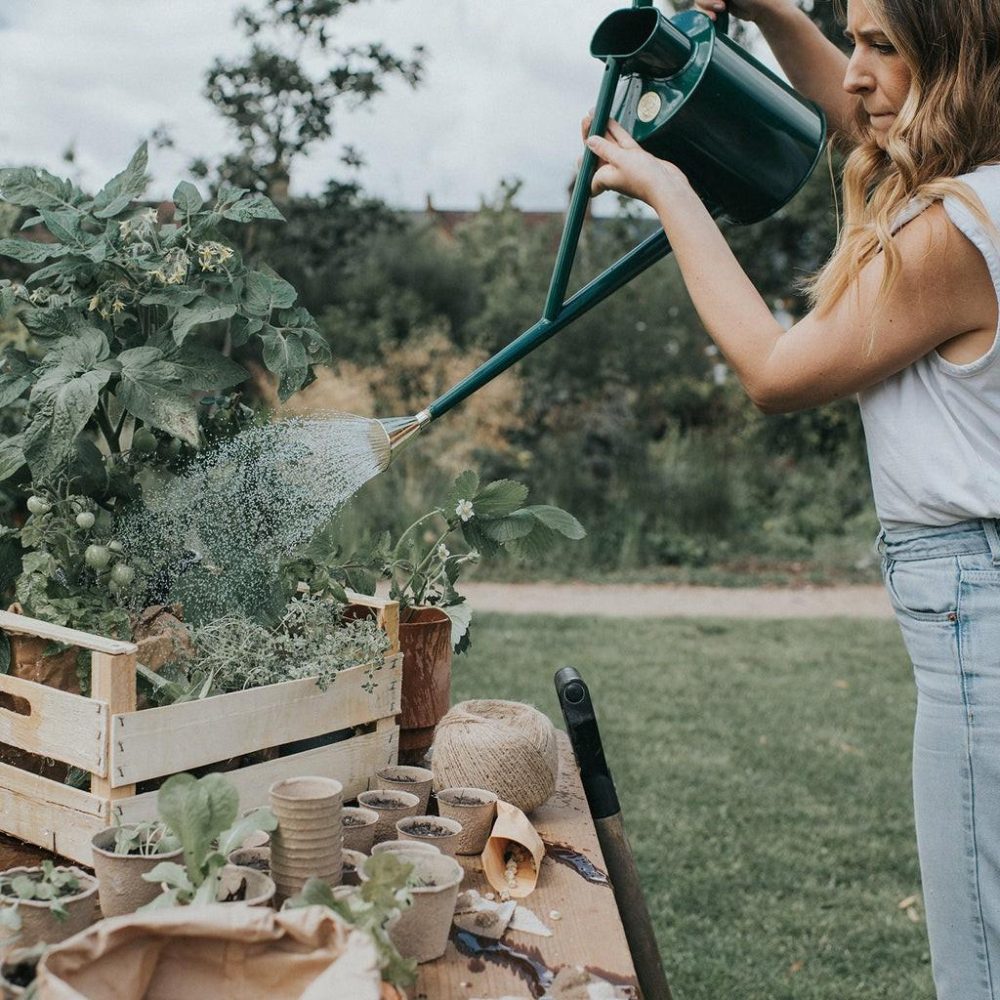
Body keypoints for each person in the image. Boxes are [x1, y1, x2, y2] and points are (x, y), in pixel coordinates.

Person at [582, 0, 1000, 996]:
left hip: (972, 615)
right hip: (969, 598)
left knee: (977, 957)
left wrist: (671, 191)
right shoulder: (980, 187)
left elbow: (774, 369)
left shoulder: (955, 231)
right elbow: (861, 115)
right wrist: (771, 11)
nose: (853, 73)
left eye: (880, 45)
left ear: (954, 62)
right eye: (850, 39)